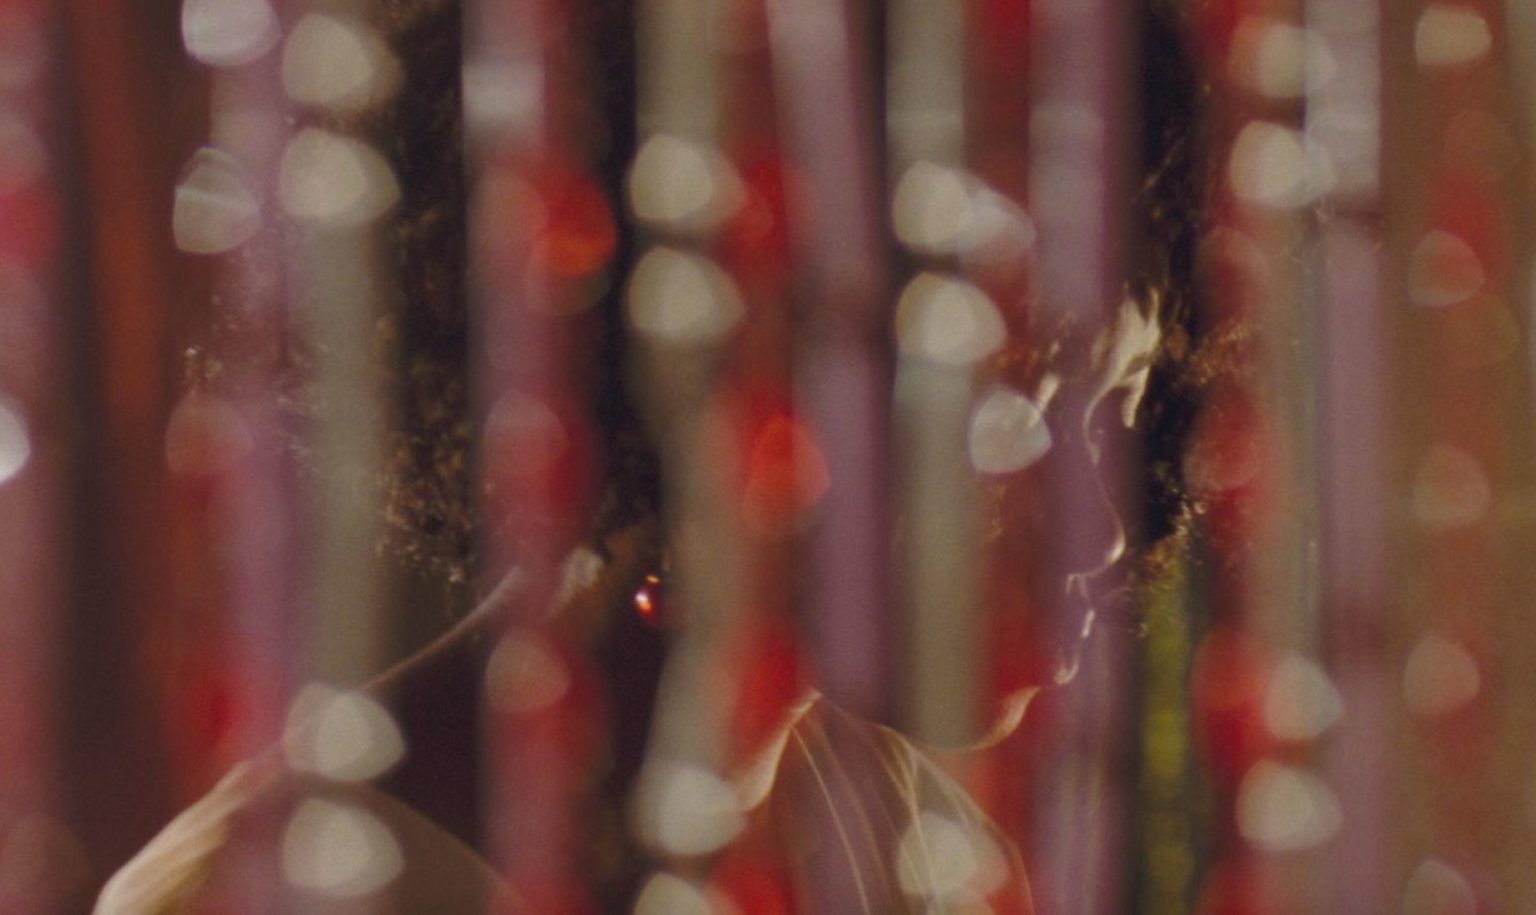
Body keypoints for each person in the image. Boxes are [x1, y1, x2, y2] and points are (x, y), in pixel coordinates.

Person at [96, 0, 1221, 911]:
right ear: (765, 353)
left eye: (1119, 409)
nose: (1106, 527)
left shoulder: (916, 844)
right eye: (1017, 402)